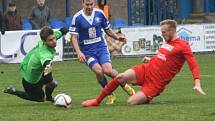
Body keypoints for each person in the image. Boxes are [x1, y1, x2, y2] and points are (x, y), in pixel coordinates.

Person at [81, 19, 206, 107]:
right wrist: (151, 60)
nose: (162, 35)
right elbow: (164, 59)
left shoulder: (183, 46)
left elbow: (193, 65)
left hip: (156, 83)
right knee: (120, 77)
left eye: (164, 32)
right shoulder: (166, 42)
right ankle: (97, 101)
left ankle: (148, 97)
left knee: (131, 102)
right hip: (146, 69)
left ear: (172, 31)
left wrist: (197, 83)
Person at [66, 0, 135, 104]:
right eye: (87, 4)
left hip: (100, 47)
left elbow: (107, 29)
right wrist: (79, 52)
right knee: (99, 71)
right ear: (82, 4)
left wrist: (117, 37)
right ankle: (110, 95)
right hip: (87, 51)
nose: (89, 7)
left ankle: (125, 85)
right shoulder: (77, 17)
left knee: (108, 70)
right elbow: (73, 37)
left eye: (91, 4)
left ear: (94, 3)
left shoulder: (100, 13)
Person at [3, 26, 68, 102]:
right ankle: (13, 91)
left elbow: (63, 29)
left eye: (54, 38)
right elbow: (47, 64)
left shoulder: (49, 39)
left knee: (52, 83)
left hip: (35, 72)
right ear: (44, 41)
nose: (54, 41)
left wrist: (68, 33)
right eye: (50, 40)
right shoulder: (45, 53)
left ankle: (49, 97)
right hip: (30, 81)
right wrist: (48, 74)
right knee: (40, 99)